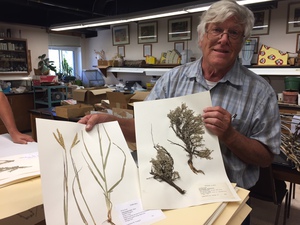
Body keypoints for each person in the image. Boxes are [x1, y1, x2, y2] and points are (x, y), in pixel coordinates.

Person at [79, 0, 280, 190]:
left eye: (234, 33)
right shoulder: (172, 80)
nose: (224, 39)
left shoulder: (260, 92)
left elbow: (265, 158)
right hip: (170, 187)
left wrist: (230, 135)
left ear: (242, 42)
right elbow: (144, 129)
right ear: (201, 38)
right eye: (217, 30)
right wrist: (110, 122)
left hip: (226, 195)